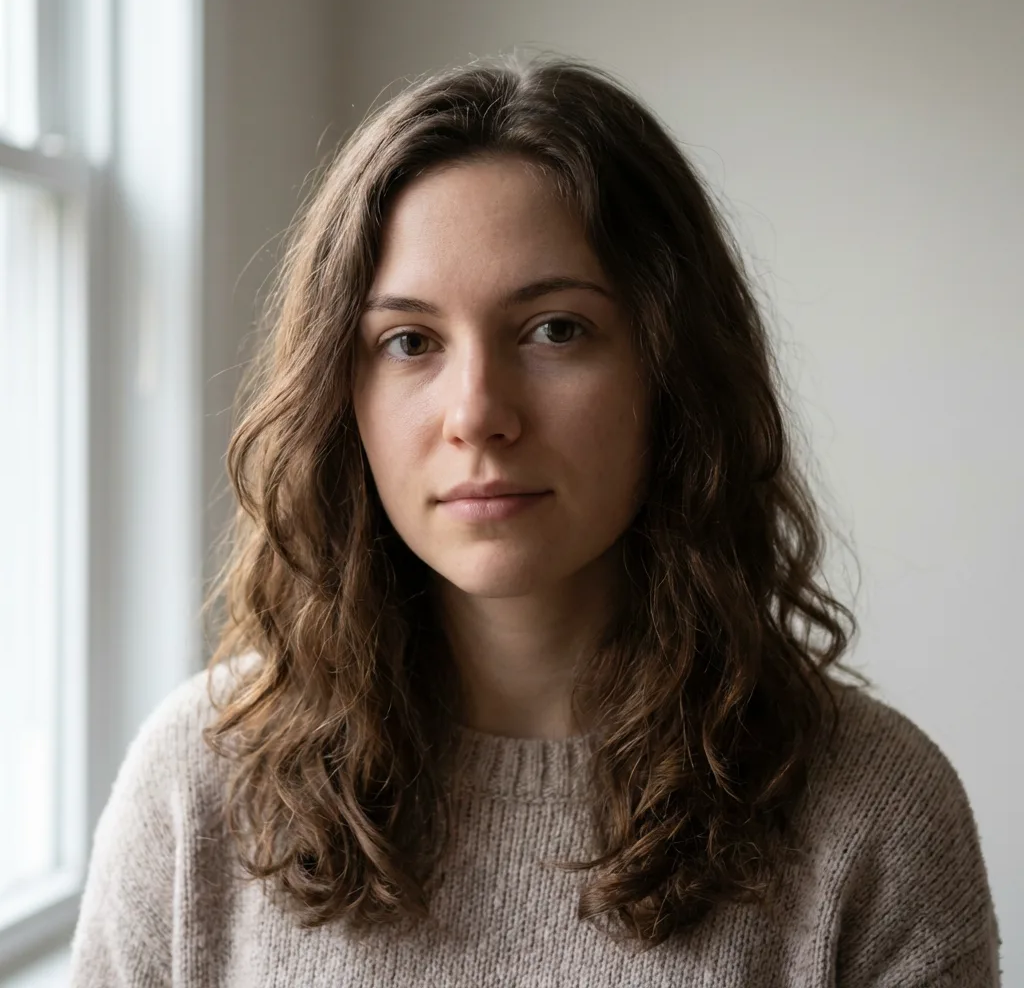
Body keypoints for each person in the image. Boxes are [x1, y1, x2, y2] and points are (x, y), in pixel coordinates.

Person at [69, 55, 1002, 986]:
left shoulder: (876, 816)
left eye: (555, 328)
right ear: (338, 396)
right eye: (409, 342)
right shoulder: (197, 788)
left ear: (672, 370)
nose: (476, 412)